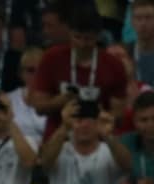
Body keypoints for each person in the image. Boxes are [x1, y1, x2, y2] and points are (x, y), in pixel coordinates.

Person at [29, 5, 127, 139]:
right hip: (60, 136)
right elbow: (39, 107)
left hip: (98, 139)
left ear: (98, 36)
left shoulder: (113, 65)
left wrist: (101, 114)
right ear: (69, 32)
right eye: (77, 37)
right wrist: (60, 101)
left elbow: (119, 114)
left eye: (88, 39)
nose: (82, 44)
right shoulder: (51, 58)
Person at [9, 47, 49, 147]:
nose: (36, 75)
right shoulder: (9, 99)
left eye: (41, 70)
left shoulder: (57, 101)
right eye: (30, 70)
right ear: (20, 73)